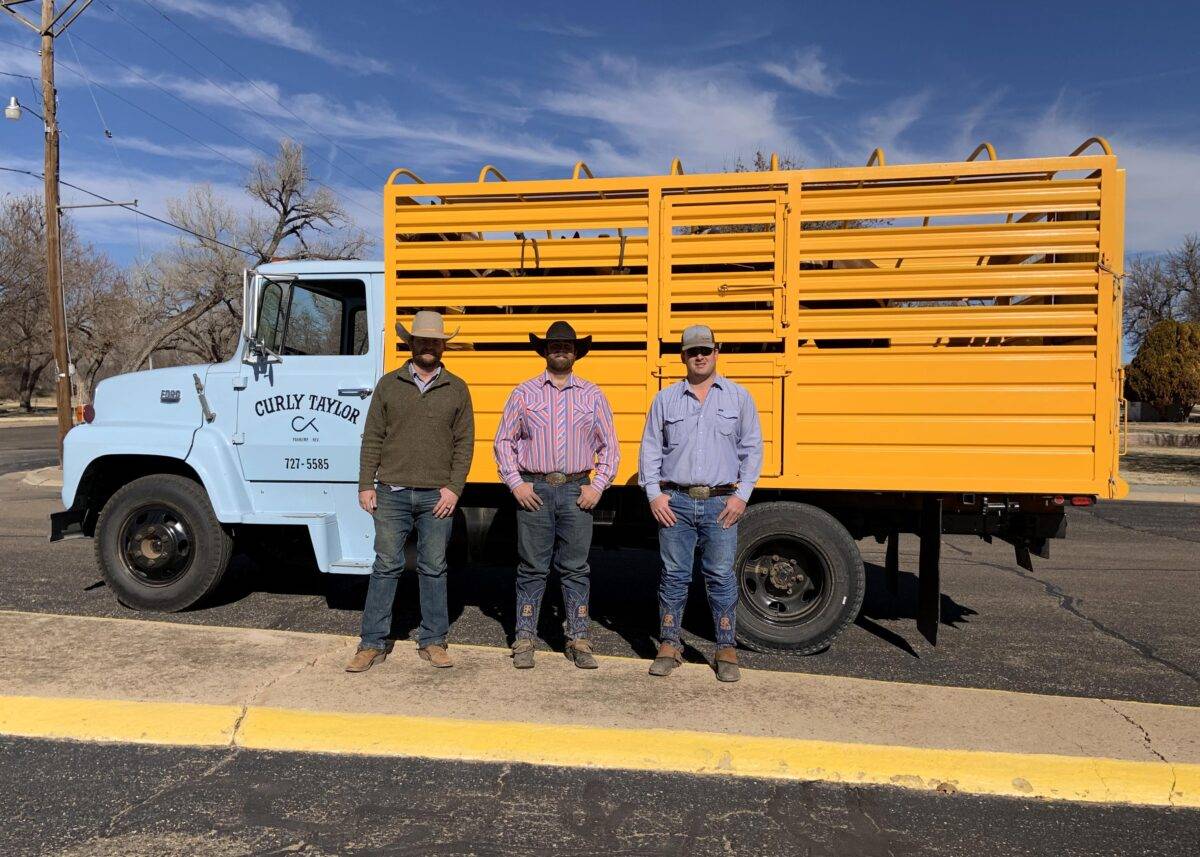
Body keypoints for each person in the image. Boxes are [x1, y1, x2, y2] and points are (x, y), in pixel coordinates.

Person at [346, 310, 474, 672]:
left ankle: (433, 640)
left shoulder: (457, 388)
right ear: (411, 343)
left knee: (434, 568)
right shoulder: (389, 385)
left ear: (442, 346)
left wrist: (453, 489)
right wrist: (365, 484)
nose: (429, 346)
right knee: (386, 566)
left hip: (437, 496)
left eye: (435, 341)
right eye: (423, 340)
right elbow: (372, 437)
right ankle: (372, 642)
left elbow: (465, 444)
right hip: (390, 493)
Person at [638, 324, 763, 682]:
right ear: (683, 357)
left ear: (716, 352)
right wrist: (654, 494)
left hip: (721, 502)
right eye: (693, 352)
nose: (700, 357)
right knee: (674, 575)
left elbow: (752, 449)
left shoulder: (738, 398)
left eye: (705, 350)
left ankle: (725, 647)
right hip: (674, 500)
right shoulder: (665, 399)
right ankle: (669, 643)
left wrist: (742, 496)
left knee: (721, 575)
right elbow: (649, 449)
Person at [494, 321, 619, 670]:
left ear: (576, 351)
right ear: (544, 351)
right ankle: (524, 637)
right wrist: (516, 483)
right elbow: (504, 440)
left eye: (567, 345)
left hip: (577, 489)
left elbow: (610, 444)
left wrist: (598, 485)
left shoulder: (592, 394)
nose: (561, 350)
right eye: (554, 345)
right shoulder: (524, 392)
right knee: (532, 567)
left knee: (575, 568)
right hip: (536, 489)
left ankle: (578, 637)